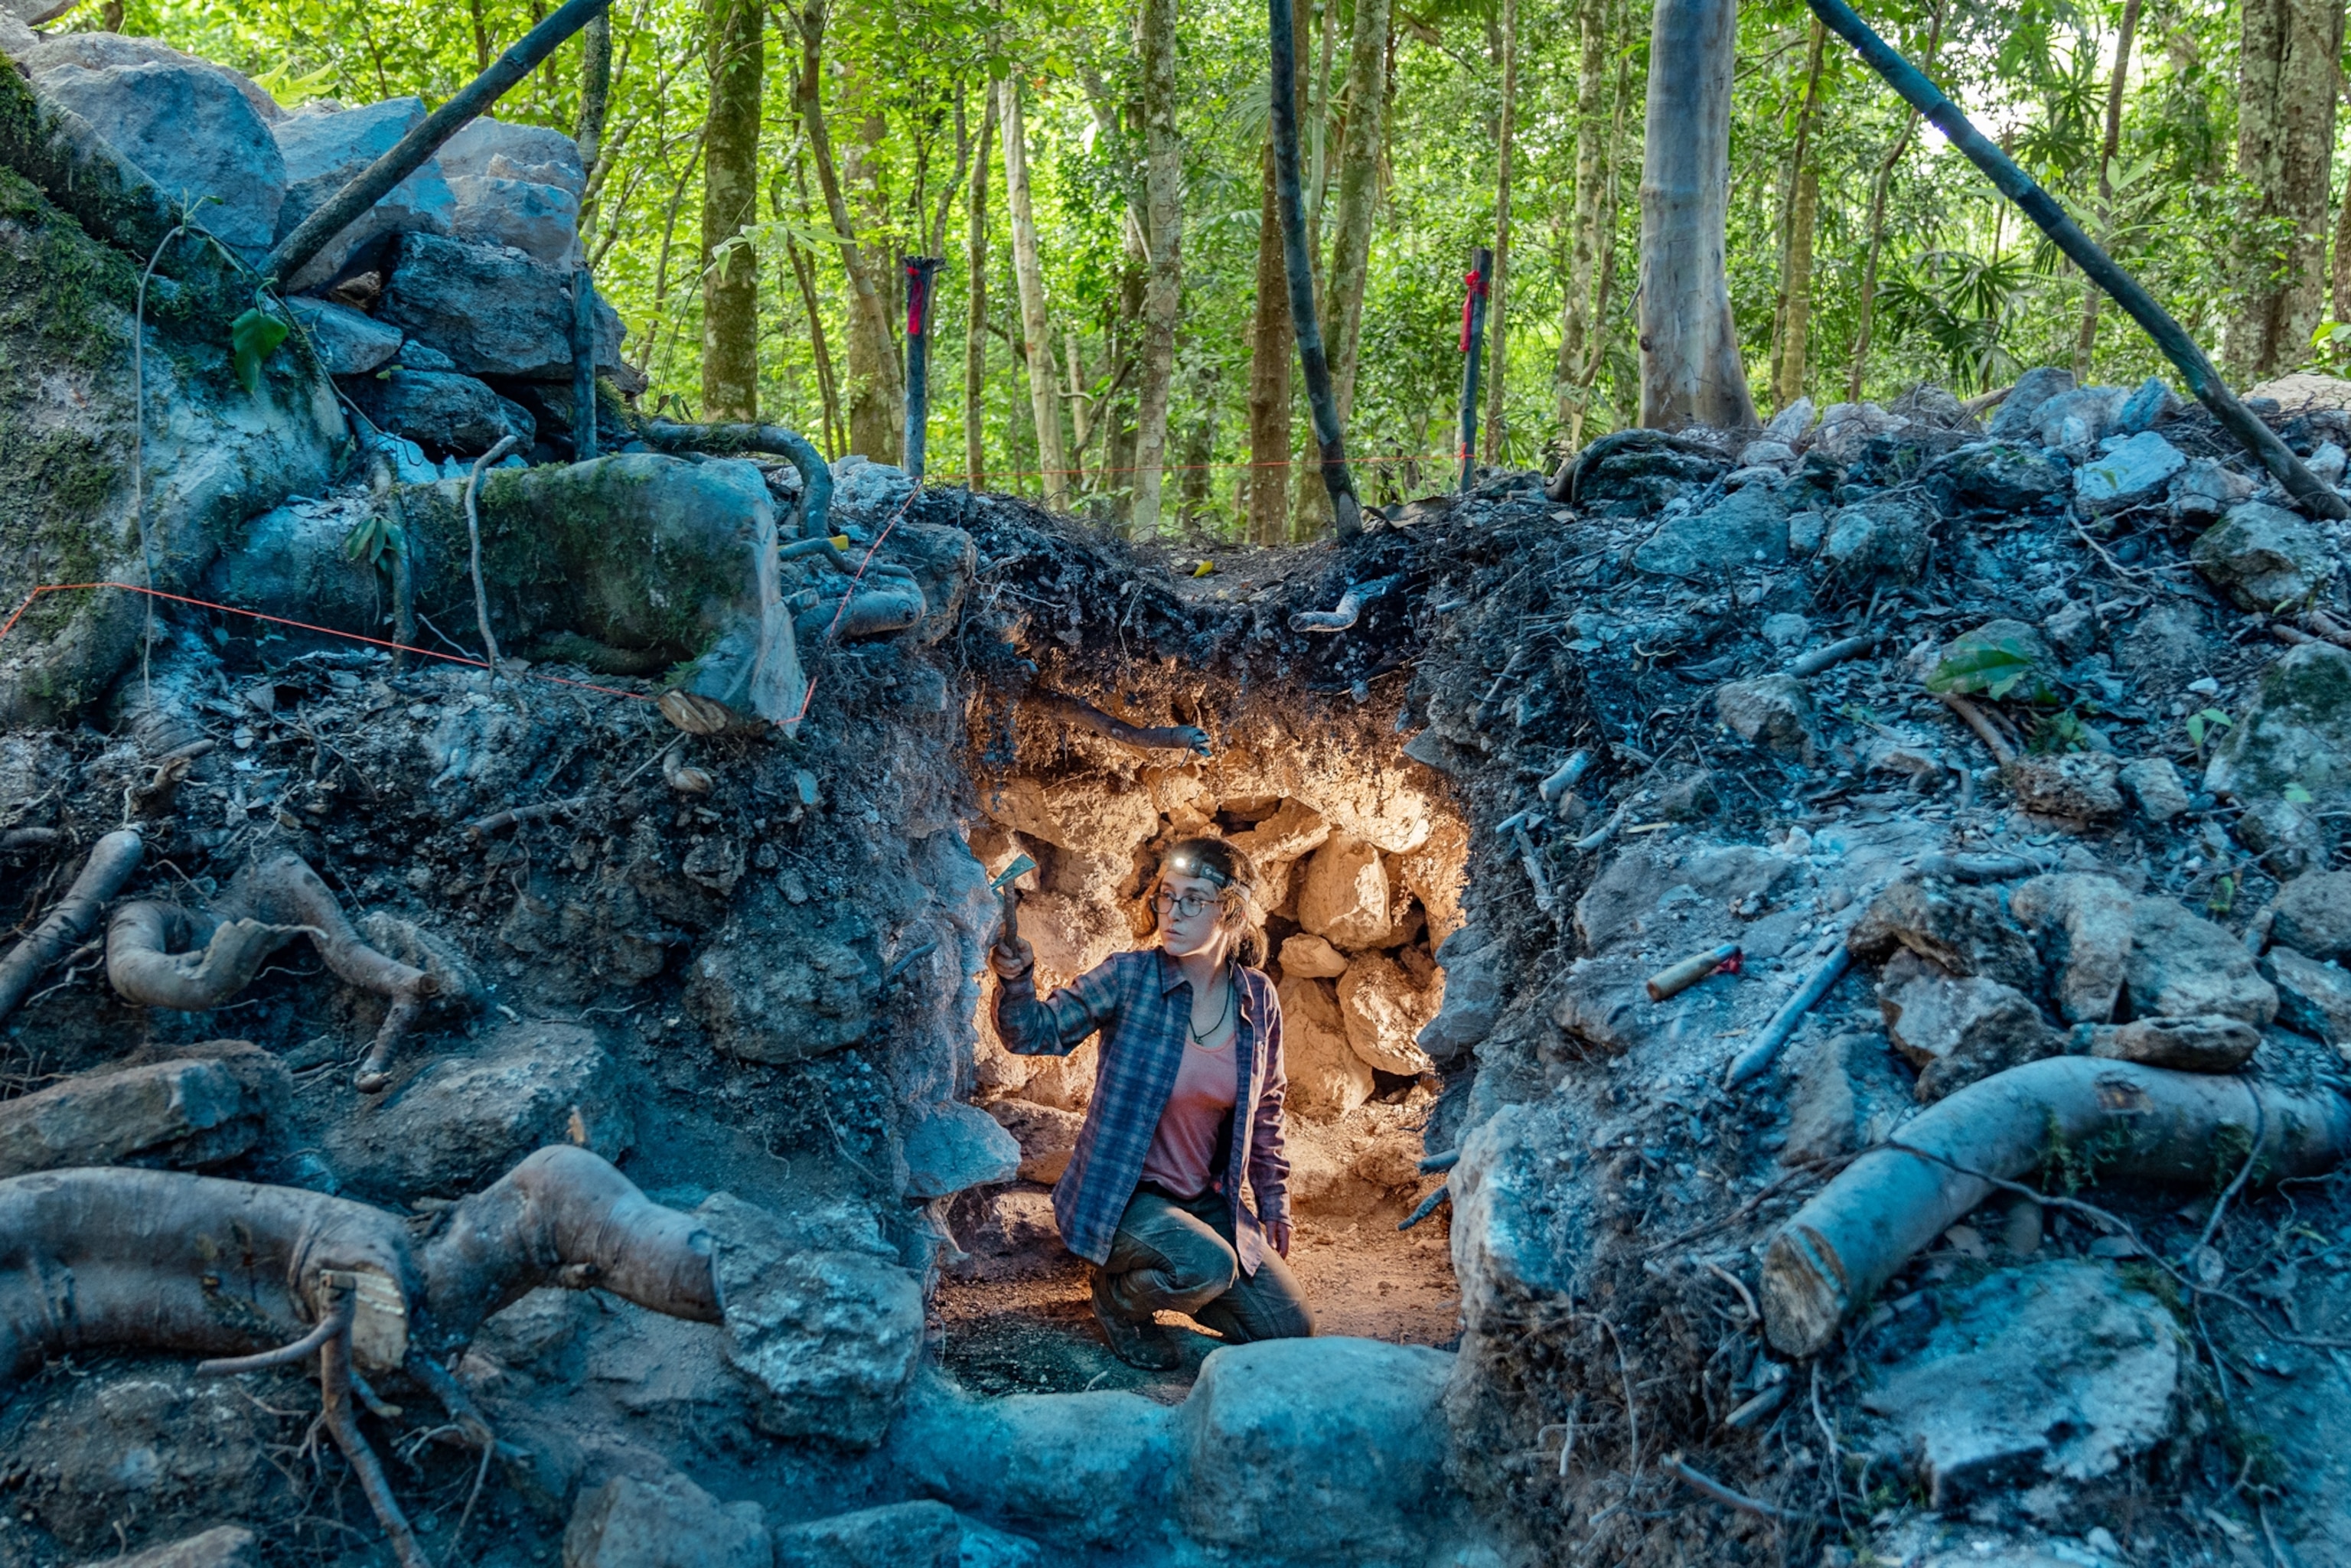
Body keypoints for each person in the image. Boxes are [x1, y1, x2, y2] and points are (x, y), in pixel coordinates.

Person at [989, 836, 1314, 1369]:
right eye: (1166, 895)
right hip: (1122, 1198)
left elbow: (1267, 1110)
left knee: (1288, 1329)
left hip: (1204, 1202)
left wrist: (1275, 1202)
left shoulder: (1258, 997)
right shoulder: (1129, 978)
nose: (1172, 911)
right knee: (1209, 1266)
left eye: (1193, 899)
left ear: (1230, 911)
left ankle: (1168, 1275)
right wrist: (1018, 979)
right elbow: (1033, 1034)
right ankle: (1118, 1300)